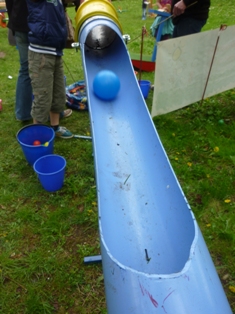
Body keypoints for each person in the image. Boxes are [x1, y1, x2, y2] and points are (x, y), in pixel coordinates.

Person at [5, 0, 72, 122]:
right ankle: (37, 120)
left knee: (31, 70)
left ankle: (26, 114)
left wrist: (13, 18)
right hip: (39, 31)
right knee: (41, 76)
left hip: (28, 25)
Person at [26, 0, 73, 139]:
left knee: (58, 94)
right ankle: (37, 135)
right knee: (42, 97)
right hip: (41, 52)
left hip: (56, 50)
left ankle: (55, 127)